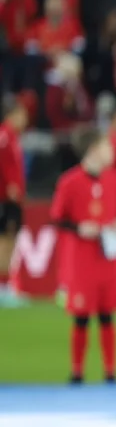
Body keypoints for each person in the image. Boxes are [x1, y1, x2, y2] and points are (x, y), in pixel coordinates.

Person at [50, 125, 116, 384]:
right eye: (106, 146)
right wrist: (79, 227)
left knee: (108, 315)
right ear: (94, 149)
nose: (111, 151)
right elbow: (58, 218)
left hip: (108, 257)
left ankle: (110, 371)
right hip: (82, 259)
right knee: (81, 316)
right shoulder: (69, 182)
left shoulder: (115, 180)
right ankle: (77, 372)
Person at [0, 96, 28, 307]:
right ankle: (3, 288)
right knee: (5, 242)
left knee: (11, 241)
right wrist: (10, 186)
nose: (25, 119)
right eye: (22, 114)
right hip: (6, 198)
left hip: (13, 198)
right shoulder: (4, 136)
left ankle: (7, 286)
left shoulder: (13, 136)